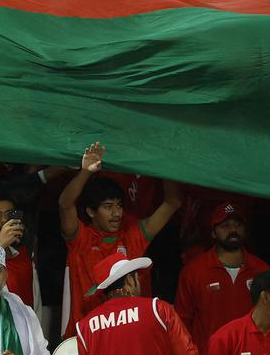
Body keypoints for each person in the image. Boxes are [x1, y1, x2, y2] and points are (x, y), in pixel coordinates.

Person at [59, 142, 181, 335]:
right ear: (91, 211)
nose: (116, 213)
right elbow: (65, 204)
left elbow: (172, 202)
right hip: (87, 337)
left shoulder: (133, 237)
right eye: (108, 207)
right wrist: (85, 171)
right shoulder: (81, 239)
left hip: (132, 335)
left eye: (119, 206)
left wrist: (165, 163)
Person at [177, 202, 270, 355]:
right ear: (213, 232)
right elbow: (182, 324)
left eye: (237, 224)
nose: (232, 229)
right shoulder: (194, 271)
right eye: (225, 225)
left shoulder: (261, 271)